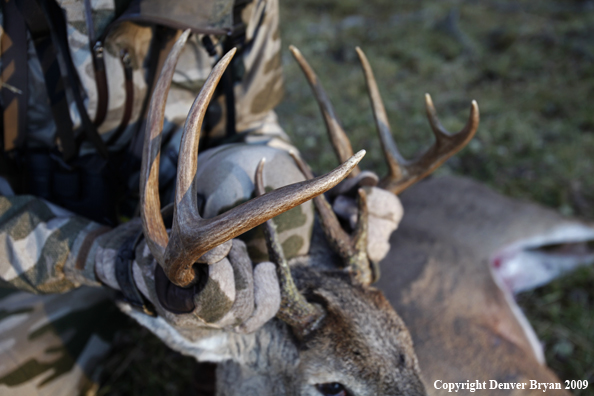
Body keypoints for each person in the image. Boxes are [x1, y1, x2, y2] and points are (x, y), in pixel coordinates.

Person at [0, 0, 403, 393]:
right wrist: (106, 259)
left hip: (186, 220)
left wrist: (309, 194)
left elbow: (250, 124)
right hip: (34, 233)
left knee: (263, 173)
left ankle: (224, 333)